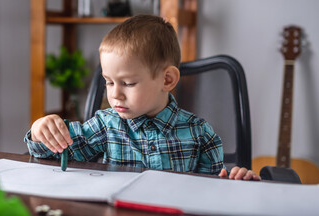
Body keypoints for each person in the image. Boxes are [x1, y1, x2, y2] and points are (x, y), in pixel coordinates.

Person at [25, 14, 260, 181]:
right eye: (108, 82)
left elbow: (214, 191)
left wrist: (238, 180)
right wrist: (40, 131)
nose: (114, 93)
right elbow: (56, 153)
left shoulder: (200, 134)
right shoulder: (106, 125)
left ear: (167, 80)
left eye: (127, 83)